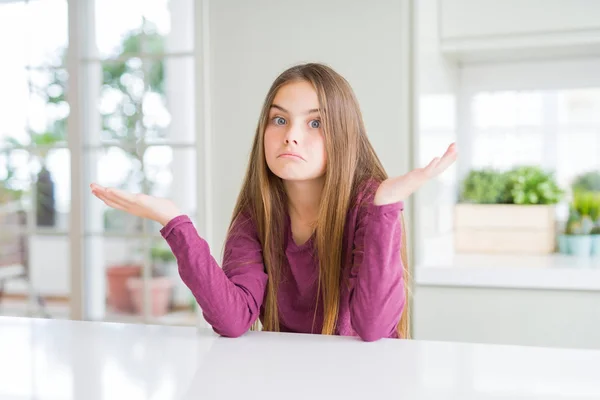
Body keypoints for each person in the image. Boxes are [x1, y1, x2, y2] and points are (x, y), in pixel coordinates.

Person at [91, 62, 457, 342]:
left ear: (344, 135)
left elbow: (374, 327)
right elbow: (233, 320)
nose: (290, 137)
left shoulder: (368, 206)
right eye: (279, 120)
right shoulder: (258, 214)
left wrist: (385, 206)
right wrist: (174, 221)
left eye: (315, 124)